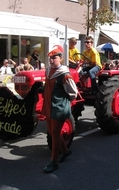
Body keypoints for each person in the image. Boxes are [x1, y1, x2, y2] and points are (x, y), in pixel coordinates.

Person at [42, 45, 78, 173]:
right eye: (50, 58)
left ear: (61, 58)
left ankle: (54, 161)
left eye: (54, 58)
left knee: (55, 134)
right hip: (48, 107)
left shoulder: (65, 75)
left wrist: (64, 102)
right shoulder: (48, 70)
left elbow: (73, 92)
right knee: (52, 133)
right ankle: (66, 151)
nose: (51, 60)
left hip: (58, 108)